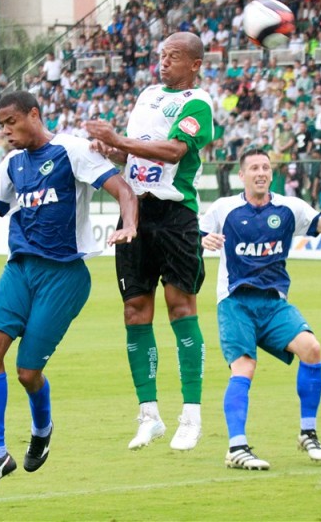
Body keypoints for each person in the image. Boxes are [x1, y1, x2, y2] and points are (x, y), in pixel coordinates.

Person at [0, 90, 137, 494]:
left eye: (10, 122)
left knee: (27, 372)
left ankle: (42, 427)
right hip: (20, 267)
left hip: (64, 275)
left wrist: (128, 224)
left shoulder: (72, 151)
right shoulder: (11, 163)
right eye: (0, 125)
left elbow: (124, 190)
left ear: (33, 115)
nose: (4, 131)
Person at [85, 32, 214, 452]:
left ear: (194, 64)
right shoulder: (146, 96)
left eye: (173, 57)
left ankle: (191, 415)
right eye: (161, 56)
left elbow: (174, 151)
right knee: (135, 309)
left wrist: (121, 142)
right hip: (136, 212)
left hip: (176, 216)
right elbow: (137, 154)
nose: (164, 63)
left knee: (181, 307)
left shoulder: (198, 103)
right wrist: (111, 149)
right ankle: (149, 415)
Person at [200, 149, 321, 470]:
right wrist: (203, 240)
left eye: (266, 168)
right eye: (254, 168)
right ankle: (236, 448)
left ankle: (308, 432)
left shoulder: (290, 207)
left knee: (311, 349)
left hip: (273, 303)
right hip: (235, 302)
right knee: (244, 368)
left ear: (272, 174)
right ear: (241, 175)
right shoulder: (224, 208)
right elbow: (195, 233)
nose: (261, 173)